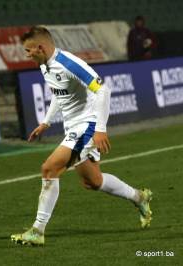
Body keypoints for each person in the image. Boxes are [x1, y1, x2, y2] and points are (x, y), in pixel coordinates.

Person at [10, 26, 153, 246]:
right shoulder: (45, 65)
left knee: (49, 168)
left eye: (29, 51)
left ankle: (37, 231)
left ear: (41, 47)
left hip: (87, 126)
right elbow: (60, 93)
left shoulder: (68, 63)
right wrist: (46, 122)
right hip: (73, 127)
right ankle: (139, 197)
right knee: (92, 181)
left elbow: (102, 90)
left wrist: (99, 129)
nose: (27, 55)